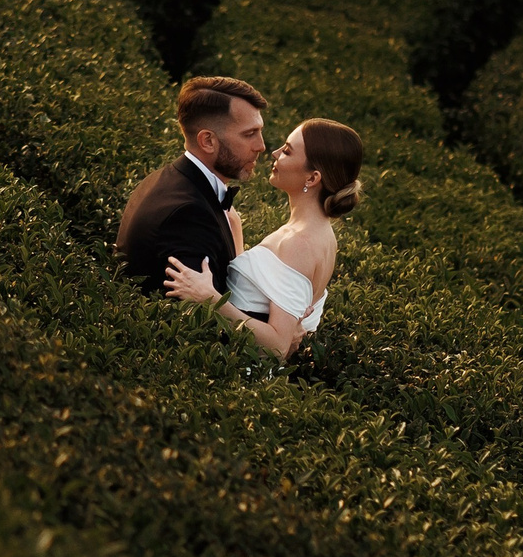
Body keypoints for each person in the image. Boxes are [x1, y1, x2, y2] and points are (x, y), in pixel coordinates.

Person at [164, 117, 363, 361]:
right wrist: (235, 230)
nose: (275, 153)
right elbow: (260, 298)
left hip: (238, 376)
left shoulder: (298, 242)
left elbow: (277, 347)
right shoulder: (322, 234)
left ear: (312, 179)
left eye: (287, 151)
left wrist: (209, 298)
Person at [116, 75, 269, 305]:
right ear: (207, 141)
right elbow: (203, 323)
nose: (261, 146)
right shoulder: (187, 215)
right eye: (249, 134)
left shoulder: (164, 180)